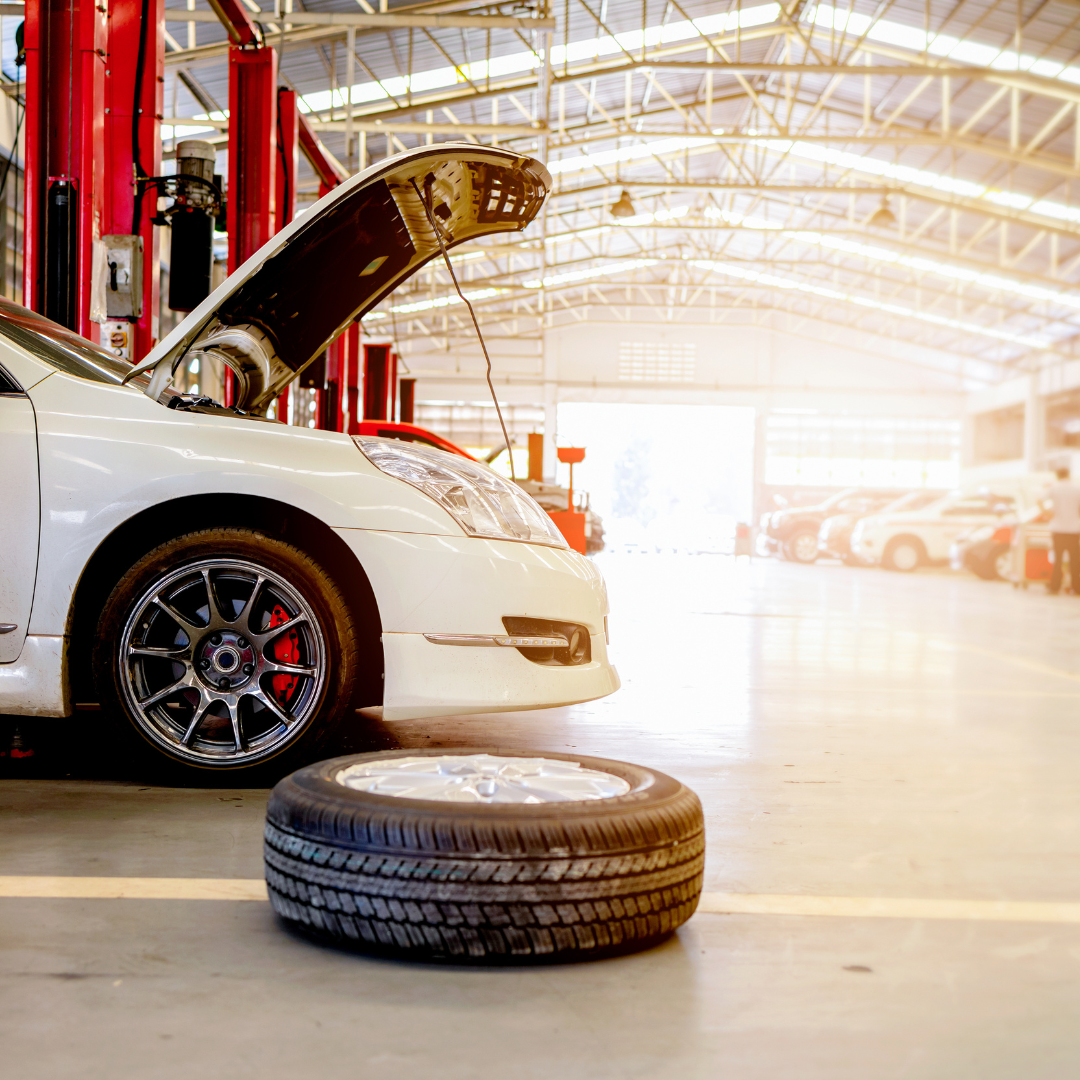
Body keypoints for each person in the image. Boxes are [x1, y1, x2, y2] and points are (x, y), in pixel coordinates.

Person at [1046, 466, 1080, 594]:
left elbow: (1039, 499)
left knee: (1058, 559)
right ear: (1068, 474)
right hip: (1074, 529)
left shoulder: (1054, 488)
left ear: (1057, 475)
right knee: (1075, 560)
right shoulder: (1077, 488)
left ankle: (1054, 587)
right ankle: (1076, 588)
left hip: (1058, 528)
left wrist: (1048, 514)